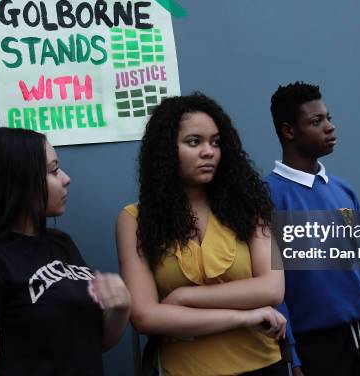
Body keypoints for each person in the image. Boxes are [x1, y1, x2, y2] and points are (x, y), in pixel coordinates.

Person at [116, 93, 288, 376]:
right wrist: (243, 317)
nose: (208, 151)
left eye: (216, 142)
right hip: (183, 369)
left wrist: (183, 297)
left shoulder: (251, 206)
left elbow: (272, 289)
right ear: (166, 150)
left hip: (263, 365)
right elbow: (145, 316)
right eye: (194, 142)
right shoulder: (133, 220)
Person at [0, 127, 131, 376]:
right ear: (17, 181)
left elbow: (96, 344)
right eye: (53, 171)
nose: (66, 178)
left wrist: (120, 308)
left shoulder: (62, 244)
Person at [265, 82, 360, 376]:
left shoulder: (344, 190)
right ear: (288, 131)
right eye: (316, 121)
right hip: (314, 348)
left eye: (329, 118)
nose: (330, 127)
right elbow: (272, 289)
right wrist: (291, 356)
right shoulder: (268, 196)